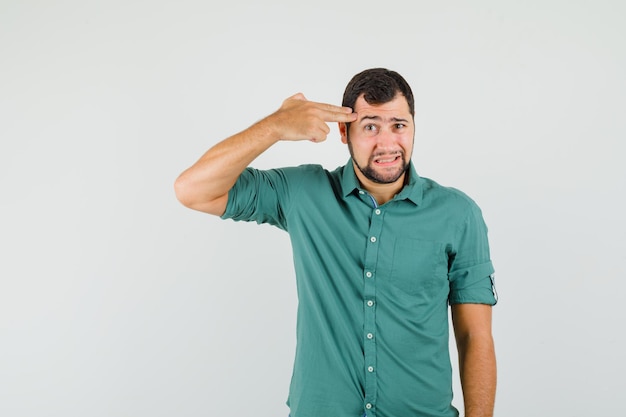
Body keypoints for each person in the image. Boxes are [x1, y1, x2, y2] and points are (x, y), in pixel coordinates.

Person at [174, 68, 498, 417]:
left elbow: (474, 338)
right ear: (344, 131)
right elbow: (192, 189)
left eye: (399, 125)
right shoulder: (302, 193)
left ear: (414, 126)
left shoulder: (458, 214)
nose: (387, 144)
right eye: (370, 126)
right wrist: (275, 127)